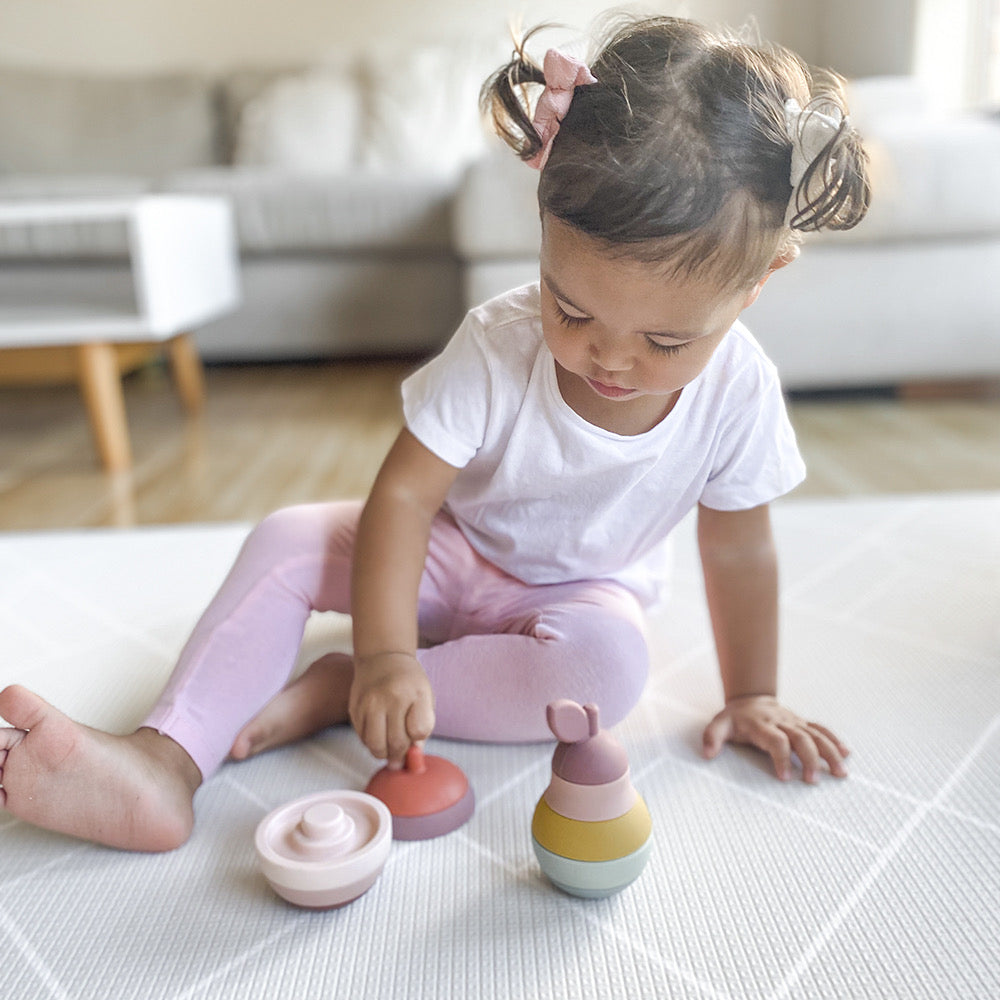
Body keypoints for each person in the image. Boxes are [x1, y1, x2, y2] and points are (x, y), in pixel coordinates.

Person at [0, 15, 870, 852]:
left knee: (608, 674)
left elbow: (740, 549)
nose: (609, 356)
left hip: (577, 595)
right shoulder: (500, 343)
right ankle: (163, 761)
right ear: (542, 229)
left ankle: (342, 691)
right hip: (447, 551)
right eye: (572, 307)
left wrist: (752, 693)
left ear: (754, 288)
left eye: (666, 342)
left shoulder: (740, 389)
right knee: (286, 541)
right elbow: (404, 499)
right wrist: (385, 650)